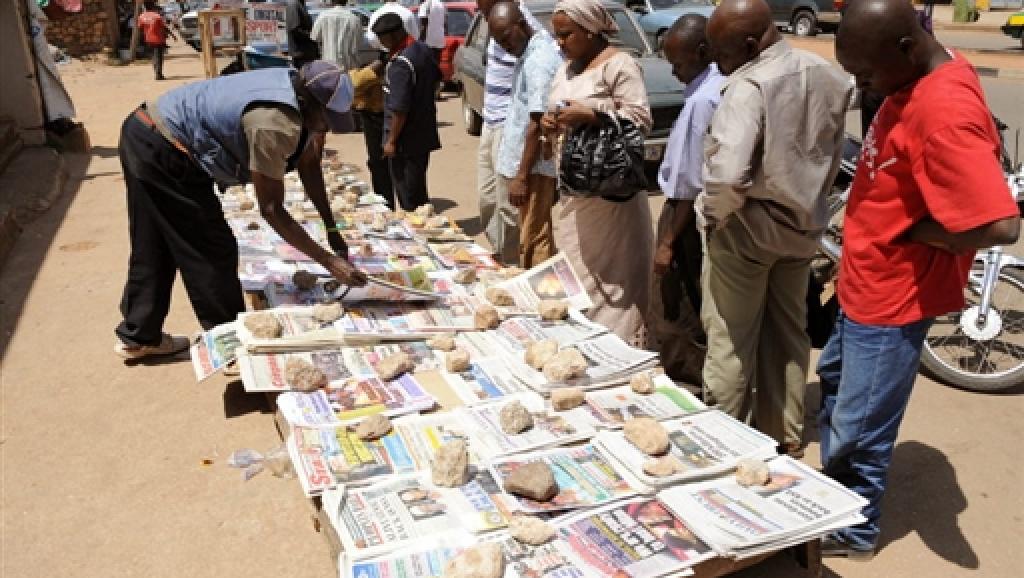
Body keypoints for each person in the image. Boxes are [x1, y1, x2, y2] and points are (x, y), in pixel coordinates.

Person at [819, 0, 1020, 559]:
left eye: (867, 74)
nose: (863, 86)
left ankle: (854, 530)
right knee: (837, 396)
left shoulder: (943, 112)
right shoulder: (925, 72)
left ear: (908, 47)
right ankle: (831, 499)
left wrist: (911, 233)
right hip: (863, 283)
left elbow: (999, 223)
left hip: (892, 298)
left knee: (861, 428)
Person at [114, 62, 368, 360]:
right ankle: (231, 348)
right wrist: (328, 261)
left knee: (155, 240)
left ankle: (139, 335)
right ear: (308, 105)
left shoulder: (300, 98)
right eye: (326, 119)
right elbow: (271, 209)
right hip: (165, 147)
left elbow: (309, 163)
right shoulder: (273, 123)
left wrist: (331, 228)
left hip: (148, 130)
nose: (326, 128)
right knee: (210, 247)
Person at [696, 0, 852, 454]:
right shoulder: (828, 75)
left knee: (730, 338)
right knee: (789, 334)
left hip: (746, 229)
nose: (717, 62)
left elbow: (726, 176)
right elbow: (833, 156)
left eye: (720, 52)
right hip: (804, 229)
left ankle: (727, 444)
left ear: (749, 44)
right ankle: (784, 435)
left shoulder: (748, 87)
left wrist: (714, 217)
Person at [541, 0, 653, 346]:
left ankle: (616, 348)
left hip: (610, 194)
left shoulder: (620, 66)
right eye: (556, 36)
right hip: (575, 189)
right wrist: (550, 124)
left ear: (590, 31)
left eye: (566, 35)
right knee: (578, 269)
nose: (560, 43)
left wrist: (592, 114)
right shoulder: (566, 68)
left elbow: (640, 120)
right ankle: (586, 343)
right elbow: (556, 110)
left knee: (614, 279)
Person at [648, 14, 724, 385]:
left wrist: (667, 242)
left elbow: (687, 183)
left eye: (679, 63)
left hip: (684, 215)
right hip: (699, 211)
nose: (675, 72)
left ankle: (691, 383)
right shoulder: (718, 86)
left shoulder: (703, 101)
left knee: (675, 309)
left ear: (702, 52)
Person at [489, 2, 562, 268]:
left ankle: (542, 298)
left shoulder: (539, 60)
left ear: (521, 25)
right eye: (499, 42)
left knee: (534, 237)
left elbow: (537, 122)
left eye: (506, 38)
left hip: (533, 168)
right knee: (530, 233)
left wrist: (521, 177)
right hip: (526, 164)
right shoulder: (528, 52)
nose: (504, 46)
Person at [476, 0, 541, 265]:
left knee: (507, 204)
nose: (481, 12)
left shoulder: (521, 26)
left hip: (508, 124)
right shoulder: (496, 22)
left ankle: (511, 261)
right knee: (486, 197)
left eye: (484, 7)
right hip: (489, 121)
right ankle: (500, 250)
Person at [372, 13, 441, 211]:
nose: (381, 43)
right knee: (418, 190)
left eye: (382, 38)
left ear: (392, 36)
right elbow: (436, 80)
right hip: (423, 133)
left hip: (405, 141)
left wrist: (391, 141)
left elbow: (399, 109)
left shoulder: (401, 63)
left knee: (409, 196)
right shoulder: (422, 50)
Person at [349, 58, 394, 201]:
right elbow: (354, 85)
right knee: (377, 163)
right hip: (372, 114)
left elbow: (354, 84)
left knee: (387, 163)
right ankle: (385, 202)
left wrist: (376, 65)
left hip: (386, 114)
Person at [311, 0, 363, 71]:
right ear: (346, 1)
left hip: (328, 66)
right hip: (349, 67)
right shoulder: (354, 19)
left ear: (331, 1)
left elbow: (315, 37)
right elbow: (359, 43)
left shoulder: (323, 16)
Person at [138, 1, 177, 81]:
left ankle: (156, 72)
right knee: (159, 57)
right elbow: (164, 28)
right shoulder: (157, 16)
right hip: (158, 39)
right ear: (153, 7)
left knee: (153, 56)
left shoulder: (142, 16)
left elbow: (140, 28)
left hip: (148, 39)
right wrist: (173, 35)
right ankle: (158, 74)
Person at [285, 0, 320, 67]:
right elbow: (295, 30)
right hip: (301, 57)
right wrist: (313, 35)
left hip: (307, 56)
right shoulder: (293, 4)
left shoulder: (301, 4)